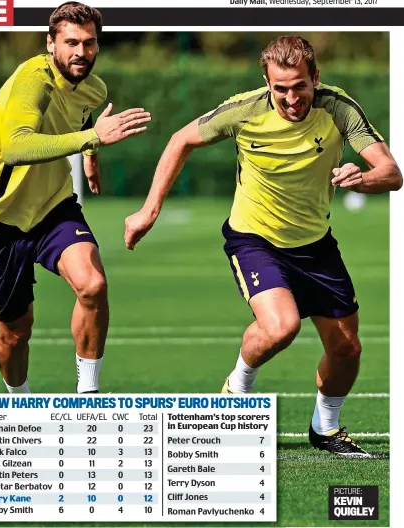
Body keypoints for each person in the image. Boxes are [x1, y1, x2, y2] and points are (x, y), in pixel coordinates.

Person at [124, 36, 402, 457]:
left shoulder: (339, 108)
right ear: (267, 84)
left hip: (315, 244)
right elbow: (181, 140)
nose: (292, 98)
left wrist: (362, 178)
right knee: (281, 326)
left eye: (300, 86)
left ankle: (325, 429)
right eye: (281, 89)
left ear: (315, 79)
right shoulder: (244, 110)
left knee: (347, 348)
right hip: (255, 239)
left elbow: (391, 173)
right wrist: (149, 210)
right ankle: (238, 386)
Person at [0, 1, 151, 394]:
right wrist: (92, 140)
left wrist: (90, 158)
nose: (80, 52)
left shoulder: (94, 87)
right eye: (71, 42)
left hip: (54, 206)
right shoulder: (33, 80)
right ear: (50, 43)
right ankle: (19, 401)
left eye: (89, 43)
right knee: (15, 334)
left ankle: (88, 396)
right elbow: (16, 148)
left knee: (93, 285)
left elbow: (85, 119)